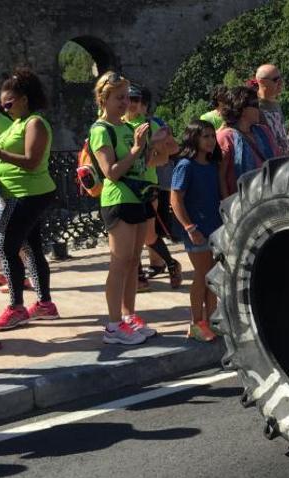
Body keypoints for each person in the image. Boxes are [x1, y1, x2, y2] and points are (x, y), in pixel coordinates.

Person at [90, 72, 166, 344]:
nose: (125, 103)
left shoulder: (125, 127)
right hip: (117, 199)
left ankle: (129, 315)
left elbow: (140, 165)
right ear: (104, 98)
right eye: (119, 98)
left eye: (127, 97)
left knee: (134, 262)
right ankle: (112, 325)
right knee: (120, 262)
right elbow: (110, 172)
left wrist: (149, 146)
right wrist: (135, 149)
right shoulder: (101, 130)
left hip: (138, 197)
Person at [0, 68, 59, 331]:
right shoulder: (19, 122)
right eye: (2, 105)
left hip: (26, 194)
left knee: (5, 247)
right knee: (31, 247)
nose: (5, 108)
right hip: (20, 193)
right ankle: (44, 304)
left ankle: (16, 307)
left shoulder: (34, 123)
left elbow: (32, 162)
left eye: (9, 103)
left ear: (24, 98)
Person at [124, 85, 182, 291]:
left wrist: (145, 156)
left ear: (142, 104)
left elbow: (169, 153)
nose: (131, 103)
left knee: (148, 235)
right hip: (122, 186)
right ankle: (139, 278)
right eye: (128, 98)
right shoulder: (116, 125)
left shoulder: (150, 126)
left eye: (135, 99)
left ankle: (172, 264)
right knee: (130, 235)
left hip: (147, 186)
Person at [171, 120, 222, 343]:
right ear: (194, 139)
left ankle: (210, 320)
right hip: (198, 230)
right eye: (206, 137)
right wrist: (189, 227)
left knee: (212, 277)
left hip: (214, 227)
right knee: (202, 276)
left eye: (212, 136)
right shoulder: (185, 166)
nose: (211, 141)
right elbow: (175, 199)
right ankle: (195, 323)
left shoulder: (211, 165)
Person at [217, 86, 279, 197]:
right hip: (243, 204)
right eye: (255, 105)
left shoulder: (264, 131)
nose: (258, 109)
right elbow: (220, 177)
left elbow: (278, 160)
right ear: (242, 108)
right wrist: (229, 205)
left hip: (271, 197)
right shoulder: (225, 137)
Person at [255, 64, 289, 156]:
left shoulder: (276, 104)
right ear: (262, 82)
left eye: (280, 79)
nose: (281, 83)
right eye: (275, 80)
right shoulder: (254, 106)